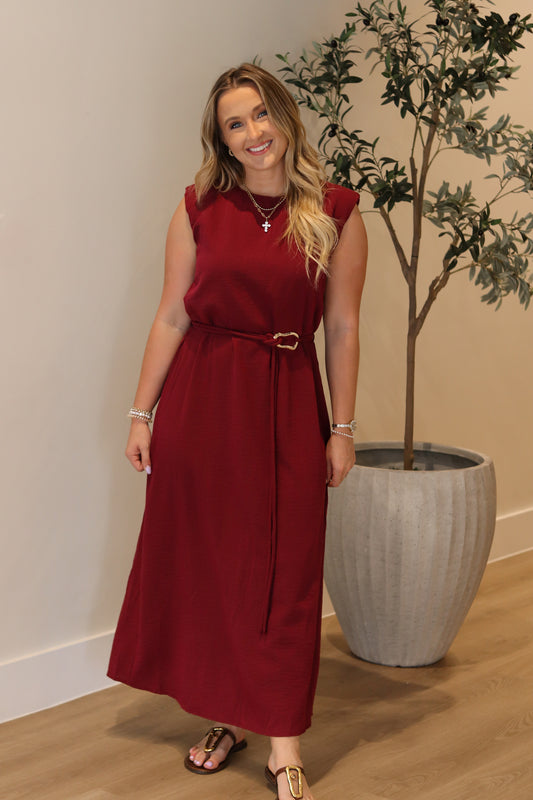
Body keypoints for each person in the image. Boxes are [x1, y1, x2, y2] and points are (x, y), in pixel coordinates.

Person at [107, 62, 367, 800]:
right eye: (235, 123)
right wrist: (141, 414)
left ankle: (284, 744)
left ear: (283, 116)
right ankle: (227, 717)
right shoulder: (198, 207)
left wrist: (342, 427)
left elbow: (343, 327)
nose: (253, 132)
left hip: (286, 401)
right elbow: (171, 315)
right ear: (220, 139)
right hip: (202, 402)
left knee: (284, 571)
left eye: (261, 114)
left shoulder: (337, 211)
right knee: (213, 567)